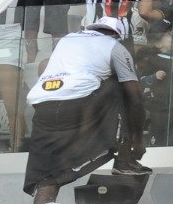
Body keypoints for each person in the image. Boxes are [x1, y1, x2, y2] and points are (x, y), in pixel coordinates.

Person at [24, 17, 148, 203]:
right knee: (121, 86)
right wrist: (138, 141)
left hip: (43, 108)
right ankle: (124, 159)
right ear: (118, 35)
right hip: (77, 105)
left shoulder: (67, 39)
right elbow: (136, 99)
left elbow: (44, 68)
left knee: (47, 176)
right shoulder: (115, 46)